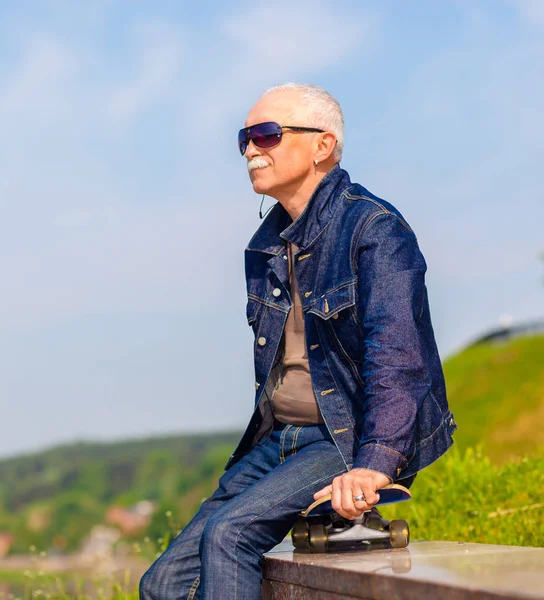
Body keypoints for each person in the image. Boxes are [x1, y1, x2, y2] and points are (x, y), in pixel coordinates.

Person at [139, 83, 457, 600]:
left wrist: (373, 465)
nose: (250, 149)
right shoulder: (266, 246)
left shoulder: (375, 229)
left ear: (322, 145)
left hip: (344, 436)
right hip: (279, 439)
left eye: (266, 134)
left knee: (230, 535)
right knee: (162, 584)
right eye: (244, 137)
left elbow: (398, 357)